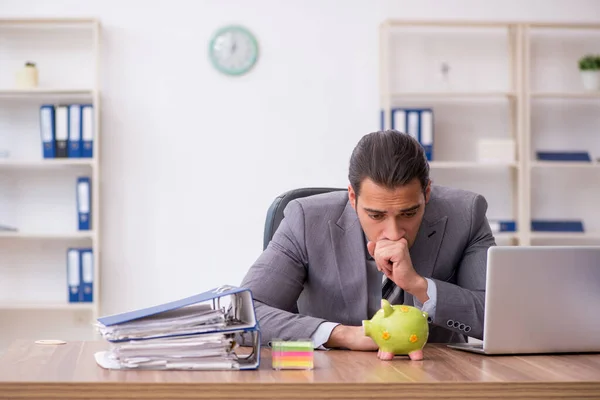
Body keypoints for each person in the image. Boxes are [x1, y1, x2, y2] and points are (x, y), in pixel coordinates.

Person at [240, 130, 496, 358]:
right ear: (352, 196)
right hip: (336, 378)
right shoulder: (306, 220)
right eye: (376, 215)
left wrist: (420, 286)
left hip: (439, 378)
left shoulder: (466, 215)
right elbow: (245, 313)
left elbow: (496, 319)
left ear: (426, 193)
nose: (394, 233)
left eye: (408, 213)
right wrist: (342, 335)